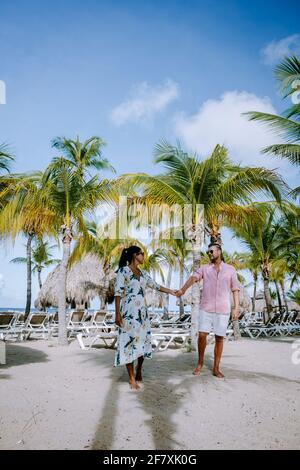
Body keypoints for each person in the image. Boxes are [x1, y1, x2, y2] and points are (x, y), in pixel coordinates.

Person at [114, 245, 177, 390]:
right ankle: (131, 378)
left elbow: (156, 286)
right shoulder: (123, 271)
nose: (143, 256)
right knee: (128, 344)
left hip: (142, 315)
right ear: (135, 255)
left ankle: (139, 369)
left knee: (142, 343)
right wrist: (117, 314)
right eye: (141, 253)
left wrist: (172, 292)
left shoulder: (143, 274)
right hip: (128, 314)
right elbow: (118, 293)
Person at [176, 243, 240, 378]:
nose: (209, 254)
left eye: (211, 251)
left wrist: (237, 308)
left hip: (223, 309)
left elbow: (235, 289)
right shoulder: (204, 269)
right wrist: (183, 289)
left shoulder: (230, 269)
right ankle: (200, 363)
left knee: (219, 338)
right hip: (206, 307)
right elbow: (193, 278)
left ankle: (216, 368)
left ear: (219, 252)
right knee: (202, 335)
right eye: (208, 252)